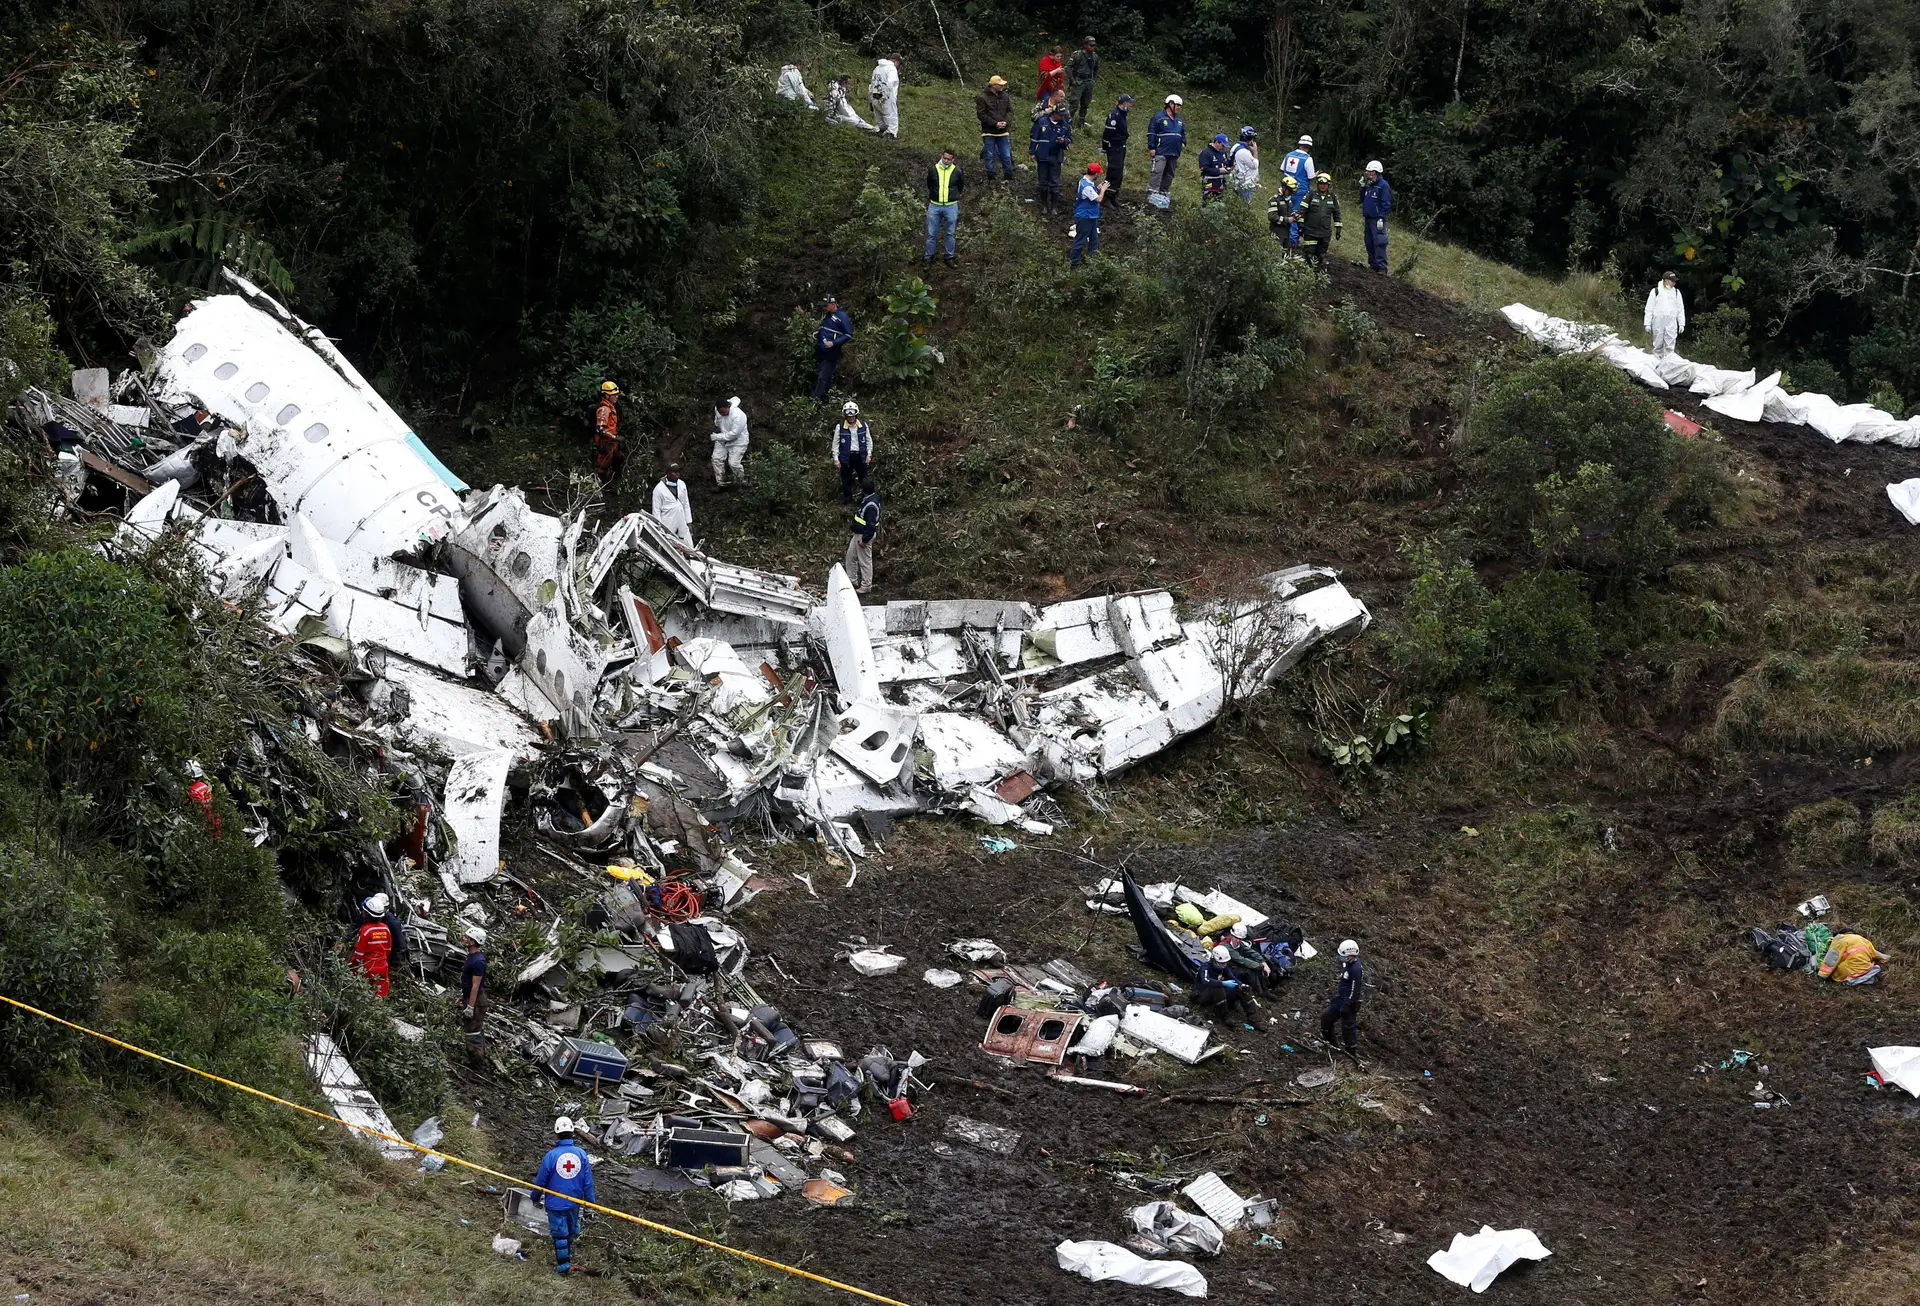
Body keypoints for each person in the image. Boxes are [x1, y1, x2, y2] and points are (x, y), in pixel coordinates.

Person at [534, 1116, 597, 1276]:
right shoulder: (581, 1154)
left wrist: (535, 1196)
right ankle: (567, 1261)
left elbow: (541, 1180)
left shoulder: (551, 1156)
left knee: (560, 1234)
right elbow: (588, 1182)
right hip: (574, 1203)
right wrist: (591, 1203)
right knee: (570, 1231)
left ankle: (563, 1266)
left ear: (556, 1134)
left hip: (555, 1204)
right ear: (572, 1133)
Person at [1320, 938, 1363, 1058]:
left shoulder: (1355, 969)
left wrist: (1347, 1004)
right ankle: (1330, 1043)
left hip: (1349, 1003)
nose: (1341, 958)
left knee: (1348, 1028)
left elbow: (1355, 990)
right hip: (1341, 999)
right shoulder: (1348, 964)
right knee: (1326, 1017)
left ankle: (1351, 1053)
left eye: (1343, 956)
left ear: (1350, 956)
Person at [1029, 104, 1072, 216]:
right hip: (1042, 155)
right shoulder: (1042, 122)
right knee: (1043, 181)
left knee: (1055, 182)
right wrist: (1032, 152)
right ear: (1055, 114)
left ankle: (1054, 207)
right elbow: (1034, 138)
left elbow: (1069, 139)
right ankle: (1044, 205)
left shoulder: (1065, 126)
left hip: (1056, 157)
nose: (1063, 117)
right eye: (1061, 115)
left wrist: (1064, 141)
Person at [924, 148, 963, 267]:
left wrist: (952, 197)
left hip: (951, 206)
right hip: (935, 205)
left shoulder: (957, 171)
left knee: (950, 233)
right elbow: (929, 184)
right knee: (931, 233)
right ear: (941, 156)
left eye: (948, 159)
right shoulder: (933, 169)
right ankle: (928, 257)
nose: (946, 161)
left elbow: (960, 186)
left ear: (953, 160)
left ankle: (949, 256)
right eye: (944, 158)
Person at [351, 893, 393, 998]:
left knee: (362, 995)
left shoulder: (366, 930)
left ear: (366, 914)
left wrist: (351, 967)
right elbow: (388, 950)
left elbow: (358, 954)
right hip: (383, 967)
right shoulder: (385, 928)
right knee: (380, 996)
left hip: (368, 968)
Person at [812, 294, 853, 401]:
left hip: (831, 353)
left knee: (822, 377)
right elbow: (828, 329)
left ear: (833, 304)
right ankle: (830, 400)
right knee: (827, 377)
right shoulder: (829, 315)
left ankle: (814, 400)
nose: (824, 308)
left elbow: (848, 335)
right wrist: (819, 332)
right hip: (821, 351)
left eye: (826, 306)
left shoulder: (842, 316)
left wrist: (833, 343)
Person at [1146, 95, 1186, 203]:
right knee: (1157, 171)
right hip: (1161, 150)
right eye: (1177, 105)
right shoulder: (1158, 117)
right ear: (1170, 104)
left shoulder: (1179, 119)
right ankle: (1152, 192)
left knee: (1170, 173)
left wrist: (1183, 142)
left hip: (1174, 152)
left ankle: (1163, 192)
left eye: (1180, 105)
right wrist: (1151, 147)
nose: (1179, 107)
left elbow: (1183, 133)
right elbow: (1151, 133)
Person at [1298, 171, 1342, 268]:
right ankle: (1306, 276)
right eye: (1320, 184)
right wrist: (1301, 225)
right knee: (1309, 255)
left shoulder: (1333, 198)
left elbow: (1337, 214)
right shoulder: (1310, 195)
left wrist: (1338, 229)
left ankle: (1316, 275)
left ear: (1328, 185)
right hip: (1310, 231)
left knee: (1320, 256)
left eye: (1324, 184)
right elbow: (1302, 211)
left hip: (1324, 233)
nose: (1322, 186)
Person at [459, 925, 489, 1068]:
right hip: (471, 997)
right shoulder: (471, 957)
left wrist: (470, 1006)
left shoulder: (478, 961)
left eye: (467, 937)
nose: (464, 938)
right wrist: (463, 997)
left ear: (473, 942)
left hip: (476, 1000)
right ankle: (475, 1060)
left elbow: (475, 986)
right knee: (471, 1029)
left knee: (473, 1032)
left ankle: (477, 1066)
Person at [833, 400, 874, 504]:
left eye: (853, 415)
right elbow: (835, 444)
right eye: (849, 416)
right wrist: (836, 459)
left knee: (863, 479)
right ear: (845, 416)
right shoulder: (840, 427)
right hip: (846, 457)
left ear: (856, 415)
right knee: (846, 480)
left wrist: (869, 454)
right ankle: (848, 501)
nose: (851, 418)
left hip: (860, 456)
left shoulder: (863, 425)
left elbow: (869, 440)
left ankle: (864, 499)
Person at [976, 75, 1014, 181]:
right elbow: (981, 115)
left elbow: (1010, 111)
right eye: (999, 84)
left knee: (1006, 156)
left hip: (1003, 132)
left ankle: (1008, 176)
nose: (1002, 86)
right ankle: (991, 177)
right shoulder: (982, 97)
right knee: (989, 156)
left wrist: (1006, 122)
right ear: (993, 85)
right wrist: (995, 123)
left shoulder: (1005, 96)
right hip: (989, 132)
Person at [1069, 162, 1109, 267]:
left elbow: (1092, 193)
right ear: (1095, 174)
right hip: (1085, 216)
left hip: (1091, 216)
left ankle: (1092, 261)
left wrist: (1098, 188)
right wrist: (1103, 190)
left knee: (1094, 240)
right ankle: (1075, 263)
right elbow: (1099, 199)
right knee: (1080, 240)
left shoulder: (1084, 181)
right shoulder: (1087, 187)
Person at [846, 476, 880, 593]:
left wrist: (864, 540)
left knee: (865, 561)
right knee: (851, 557)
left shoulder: (871, 506)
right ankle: (852, 580)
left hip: (864, 535)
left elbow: (870, 525)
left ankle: (866, 585)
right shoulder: (868, 499)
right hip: (858, 534)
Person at [1817, 931, 1889, 985]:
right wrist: (1886, 959)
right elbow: (1876, 954)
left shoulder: (1839, 940)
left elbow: (1832, 958)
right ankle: (1865, 978)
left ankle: (1856, 979)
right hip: (1865, 969)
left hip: (1848, 974)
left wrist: (1822, 975)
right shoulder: (1863, 939)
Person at [1644, 270, 1687, 356]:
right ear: (1666, 280)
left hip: (1671, 321)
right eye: (1672, 281)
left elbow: (1680, 309)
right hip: (1658, 321)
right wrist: (1647, 323)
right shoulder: (1656, 291)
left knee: (1670, 345)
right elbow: (1649, 308)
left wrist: (1682, 323)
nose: (1674, 283)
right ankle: (1657, 362)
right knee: (1658, 344)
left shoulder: (1676, 293)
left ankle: (1668, 363)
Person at [1360, 160, 1392, 273]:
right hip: (1368, 218)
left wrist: (1381, 218)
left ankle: (1382, 267)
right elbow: (1362, 200)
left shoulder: (1383, 186)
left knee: (1379, 242)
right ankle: (1373, 265)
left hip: (1376, 219)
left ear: (1375, 172)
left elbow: (1386, 203)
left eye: (1370, 171)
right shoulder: (1370, 185)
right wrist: (1362, 187)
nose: (1368, 173)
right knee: (1369, 242)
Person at [651, 464, 694, 547]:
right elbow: (656, 511)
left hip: (682, 518)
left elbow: (686, 504)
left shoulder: (682, 484)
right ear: (668, 473)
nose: (678, 474)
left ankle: (690, 557)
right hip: (668, 520)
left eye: (678, 471)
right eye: (675, 472)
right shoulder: (658, 489)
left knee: (687, 543)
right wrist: (659, 528)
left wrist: (689, 522)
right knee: (668, 544)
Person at [1100, 93, 1134, 195]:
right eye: (1129, 103)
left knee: (1119, 172)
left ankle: (1114, 195)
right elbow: (1108, 133)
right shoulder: (1115, 115)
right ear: (1124, 103)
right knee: (1113, 171)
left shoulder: (1122, 115)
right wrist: (1105, 146)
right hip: (1114, 147)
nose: (1131, 106)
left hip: (1121, 147)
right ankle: (1107, 195)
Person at [711, 396, 749, 486]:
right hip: (722, 437)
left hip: (738, 440)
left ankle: (741, 482)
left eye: (724, 412)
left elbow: (734, 434)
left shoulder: (738, 415)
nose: (722, 414)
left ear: (728, 407)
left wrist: (717, 437)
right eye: (720, 412)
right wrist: (719, 435)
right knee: (716, 459)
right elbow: (717, 422)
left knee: (733, 463)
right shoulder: (717, 410)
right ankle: (721, 483)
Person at [592, 380, 622, 484]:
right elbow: (600, 429)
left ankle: (614, 481)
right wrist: (614, 438)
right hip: (605, 443)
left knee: (618, 458)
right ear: (606, 395)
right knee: (603, 466)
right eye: (613, 395)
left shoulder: (611, 407)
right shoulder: (604, 409)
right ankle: (604, 487)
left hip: (612, 443)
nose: (616, 397)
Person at [1067, 36, 1099, 129]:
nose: (1092, 47)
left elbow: (1096, 68)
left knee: (1085, 103)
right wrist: (1072, 80)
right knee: (1074, 103)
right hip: (1078, 81)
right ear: (1085, 45)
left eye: (1093, 46)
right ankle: (1068, 122)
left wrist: (1093, 79)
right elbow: (1068, 67)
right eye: (1090, 45)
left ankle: (1081, 121)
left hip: (1088, 82)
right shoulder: (1077, 55)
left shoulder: (1095, 56)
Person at [1278, 134, 1315, 215]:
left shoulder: (1289, 155)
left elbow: (1282, 169)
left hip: (1286, 189)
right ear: (1309, 147)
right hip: (1300, 191)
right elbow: (1311, 177)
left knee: (1284, 211)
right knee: (1296, 214)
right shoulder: (1308, 159)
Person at [869, 55, 900, 138]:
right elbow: (890, 83)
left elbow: (872, 83)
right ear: (895, 61)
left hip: (875, 95)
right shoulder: (891, 68)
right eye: (898, 64)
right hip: (886, 96)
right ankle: (891, 133)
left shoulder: (877, 68)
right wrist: (885, 96)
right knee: (891, 115)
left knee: (879, 114)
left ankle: (882, 129)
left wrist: (870, 99)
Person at [1266, 173, 1300, 249]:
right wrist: (1287, 220)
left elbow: (1288, 213)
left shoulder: (1289, 200)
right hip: (1276, 233)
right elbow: (1272, 216)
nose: (1290, 194)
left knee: (1286, 254)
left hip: (1287, 233)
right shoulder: (1274, 200)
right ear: (1284, 188)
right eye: (1290, 191)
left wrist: (1294, 215)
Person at [1196, 132, 1230, 203]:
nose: (1224, 148)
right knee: (1207, 201)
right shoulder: (1206, 153)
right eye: (1223, 146)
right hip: (1209, 182)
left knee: (1220, 203)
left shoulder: (1223, 153)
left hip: (1221, 183)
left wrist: (1228, 168)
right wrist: (1218, 171)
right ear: (1217, 143)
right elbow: (1204, 169)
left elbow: (1226, 163)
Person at [1230, 127, 1260, 202]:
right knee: (1244, 206)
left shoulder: (1236, 146)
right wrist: (1255, 152)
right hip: (1244, 184)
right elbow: (1254, 165)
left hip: (1238, 181)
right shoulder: (1244, 152)